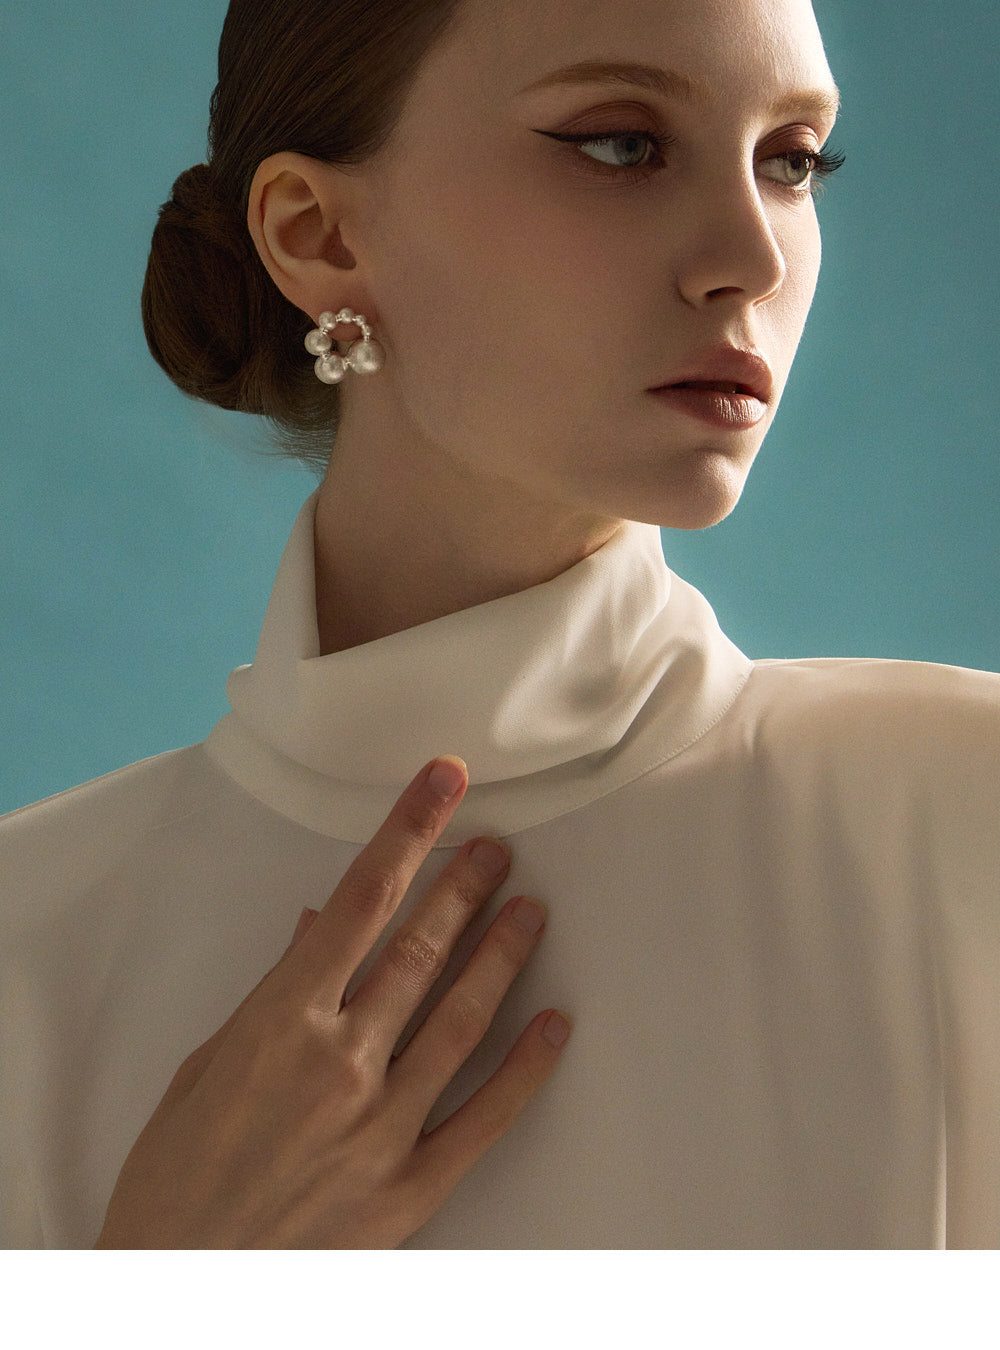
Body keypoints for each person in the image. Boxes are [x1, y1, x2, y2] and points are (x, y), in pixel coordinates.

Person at [2, 0, 997, 1249]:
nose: (753, 256)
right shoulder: (26, 944)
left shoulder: (964, 822)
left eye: (791, 161)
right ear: (315, 234)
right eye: (622, 144)